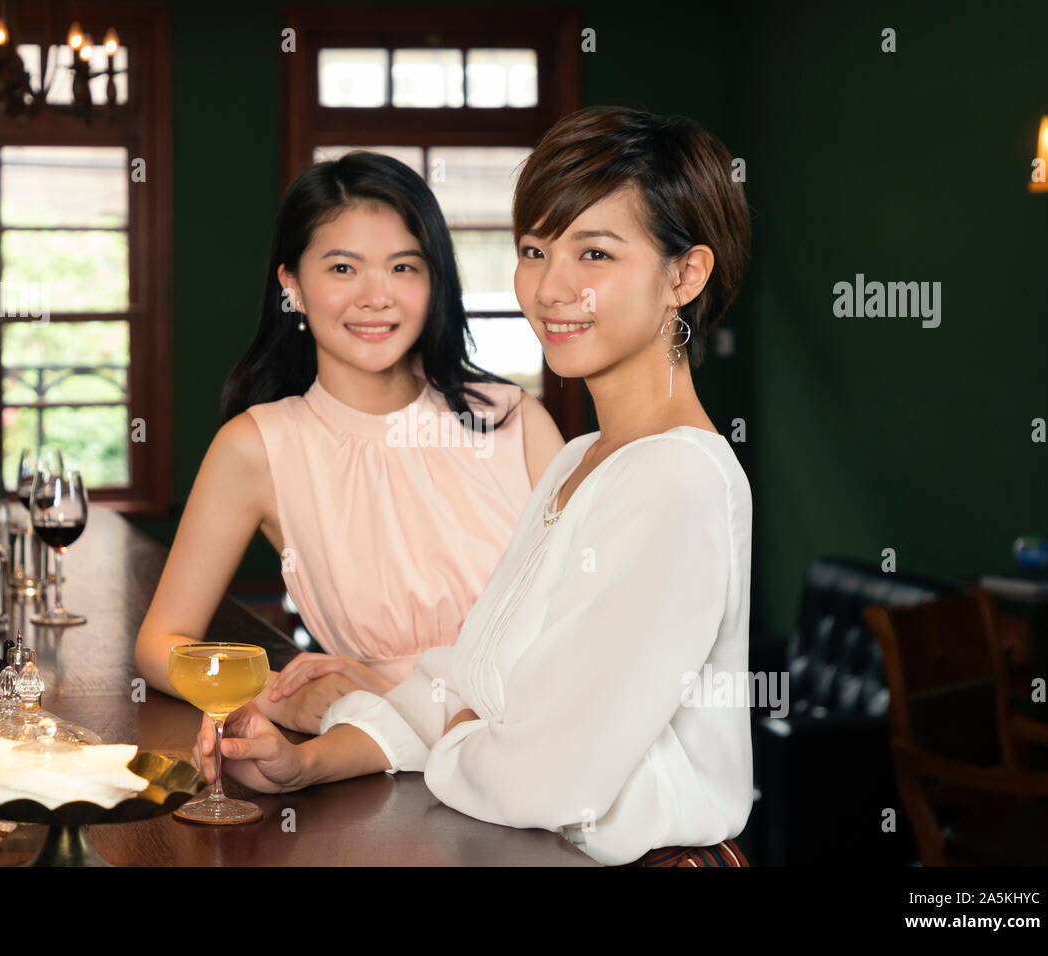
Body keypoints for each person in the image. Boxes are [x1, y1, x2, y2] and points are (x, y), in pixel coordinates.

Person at [194, 106, 755, 867]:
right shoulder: (578, 459)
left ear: (684, 275)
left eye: (594, 254)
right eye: (534, 249)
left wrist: (463, 726)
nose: (551, 288)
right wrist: (307, 765)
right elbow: (466, 678)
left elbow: (544, 776)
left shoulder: (679, 479)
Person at [135, 151, 564, 735]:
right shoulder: (259, 446)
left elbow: (587, 622)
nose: (376, 296)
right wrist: (270, 694)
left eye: (404, 267)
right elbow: (160, 643)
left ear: (434, 280)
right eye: (342, 269)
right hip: (390, 769)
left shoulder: (515, 420)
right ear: (292, 285)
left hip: (545, 744)